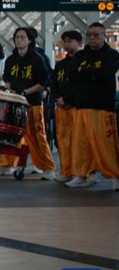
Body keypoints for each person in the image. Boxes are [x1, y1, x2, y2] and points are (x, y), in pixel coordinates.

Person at [0, 27, 55, 176]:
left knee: (36, 135)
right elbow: (7, 79)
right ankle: (6, 165)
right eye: (16, 37)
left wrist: (25, 92)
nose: (19, 40)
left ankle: (47, 167)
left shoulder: (37, 58)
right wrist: (11, 90)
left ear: (29, 40)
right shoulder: (11, 59)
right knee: (10, 134)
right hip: (14, 103)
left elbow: (44, 81)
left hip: (32, 103)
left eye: (22, 37)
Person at [66, 22, 119, 190]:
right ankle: (83, 174)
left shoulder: (112, 55)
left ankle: (115, 174)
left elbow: (106, 74)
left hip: (102, 106)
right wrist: (90, 75)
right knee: (81, 143)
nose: (92, 38)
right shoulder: (80, 56)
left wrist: (85, 73)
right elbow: (72, 75)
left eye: (96, 35)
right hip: (82, 105)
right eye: (89, 35)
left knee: (105, 144)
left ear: (104, 35)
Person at [50, 30, 82, 184]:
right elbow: (54, 84)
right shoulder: (61, 65)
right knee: (62, 140)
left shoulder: (83, 62)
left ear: (79, 43)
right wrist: (58, 98)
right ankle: (66, 170)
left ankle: (83, 173)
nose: (67, 44)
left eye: (70, 41)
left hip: (77, 108)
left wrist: (68, 99)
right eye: (65, 41)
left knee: (79, 141)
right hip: (61, 108)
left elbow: (82, 85)